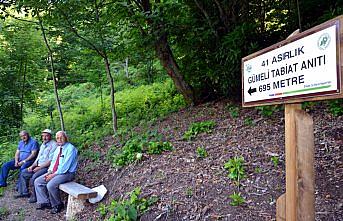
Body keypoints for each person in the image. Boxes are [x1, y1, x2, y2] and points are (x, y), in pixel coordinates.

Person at [35, 131, 78, 214]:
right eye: (57, 138)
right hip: (56, 172)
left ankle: (58, 204)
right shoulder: (58, 148)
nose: (59, 139)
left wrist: (53, 175)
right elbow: (54, 162)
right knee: (38, 181)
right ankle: (45, 202)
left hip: (67, 173)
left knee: (50, 185)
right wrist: (49, 172)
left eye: (61, 137)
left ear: (66, 138)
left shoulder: (71, 149)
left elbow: (65, 167)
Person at [15, 129, 57, 202]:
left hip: (46, 168)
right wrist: (32, 166)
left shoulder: (54, 145)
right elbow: (38, 158)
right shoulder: (43, 144)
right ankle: (24, 192)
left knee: (34, 177)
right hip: (38, 166)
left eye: (46, 136)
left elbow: (50, 161)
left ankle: (35, 197)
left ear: (50, 136)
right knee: (24, 172)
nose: (44, 138)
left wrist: (39, 168)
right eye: (43, 136)